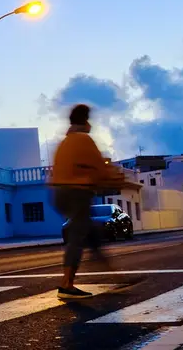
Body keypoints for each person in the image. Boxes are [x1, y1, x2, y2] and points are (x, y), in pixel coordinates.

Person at [51, 103, 123, 300]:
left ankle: (115, 276)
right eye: (89, 120)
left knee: (91, 236)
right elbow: (100, 167)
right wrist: (116, 178)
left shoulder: (65, 142)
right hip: (76, 193)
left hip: (59, 192)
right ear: (85, 121)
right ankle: (66, 284)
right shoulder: (83, 140)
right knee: (77, 236)